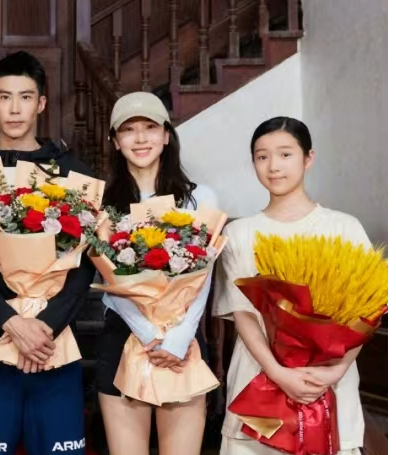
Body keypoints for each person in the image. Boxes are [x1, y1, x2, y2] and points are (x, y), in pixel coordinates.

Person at [0, 51, 94, 455]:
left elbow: (83, 267)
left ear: (41, 103)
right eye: (4, 97)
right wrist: (11, 322)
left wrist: (43, 328)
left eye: (25, 97)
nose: (14, 108)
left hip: (54, 346)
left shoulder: (77, 177)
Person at [215, 117, 371, 455]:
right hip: (258, 382)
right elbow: (243, 314)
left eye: (285, 154)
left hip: (330, 386)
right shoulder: (239, 233)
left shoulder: (343, 228)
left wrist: (336, 371)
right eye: (262, 156)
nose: (273, 166)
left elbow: (365, 314)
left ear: (308, 158)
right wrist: (278, 373)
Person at [96, 91, 220, 455]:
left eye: (150, 127)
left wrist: (179, 338)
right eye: (128, 129)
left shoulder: (200, 199)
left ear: (166, 135)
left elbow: (204, 276)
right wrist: (149, 333)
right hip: (123, 335)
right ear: (115, 141)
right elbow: (109, 278)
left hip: (184, 339)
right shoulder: (101, 204)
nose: (140, 138)